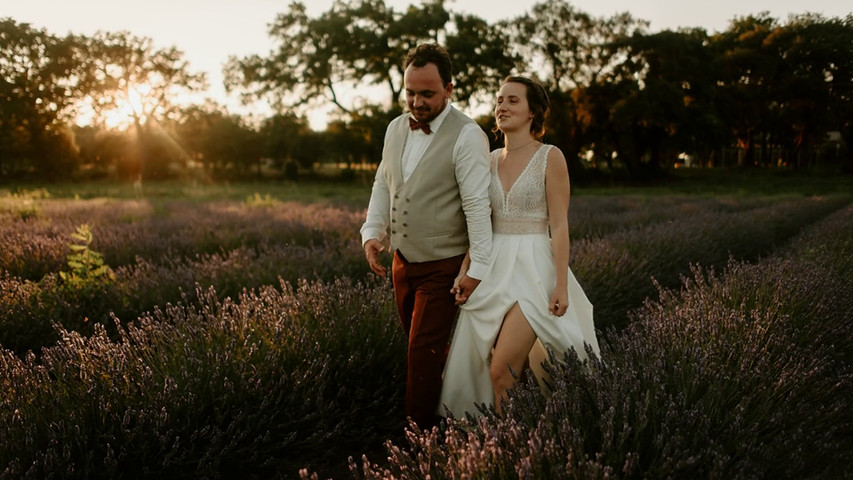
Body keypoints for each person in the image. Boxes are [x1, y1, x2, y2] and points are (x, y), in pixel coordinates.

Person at [439, 75, 600, 418]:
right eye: (499, 100)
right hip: (494, 267)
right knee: (487, 366)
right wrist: (466, 269)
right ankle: (505, 441)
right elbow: (481, 222)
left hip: (534, 272)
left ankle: (511, 444)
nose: (502, 106)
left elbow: (559, 224)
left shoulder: (550, 157)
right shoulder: (490, 158)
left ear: (533, 112)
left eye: (513, 100)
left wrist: (560, 283)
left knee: (502, 369)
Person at [360, 43, 492, 429]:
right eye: (410, 93)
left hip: (444, 266)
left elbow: (477, 206)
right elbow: (383, 185)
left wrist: (478, 267)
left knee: (421, 353)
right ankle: (455, 412)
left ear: (449, 89)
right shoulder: (395, 128)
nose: (417, 102)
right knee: (428, 351)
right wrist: (373, 231)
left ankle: (417, 441)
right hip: (403, 262)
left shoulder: (468, 135)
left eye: (427, 93)